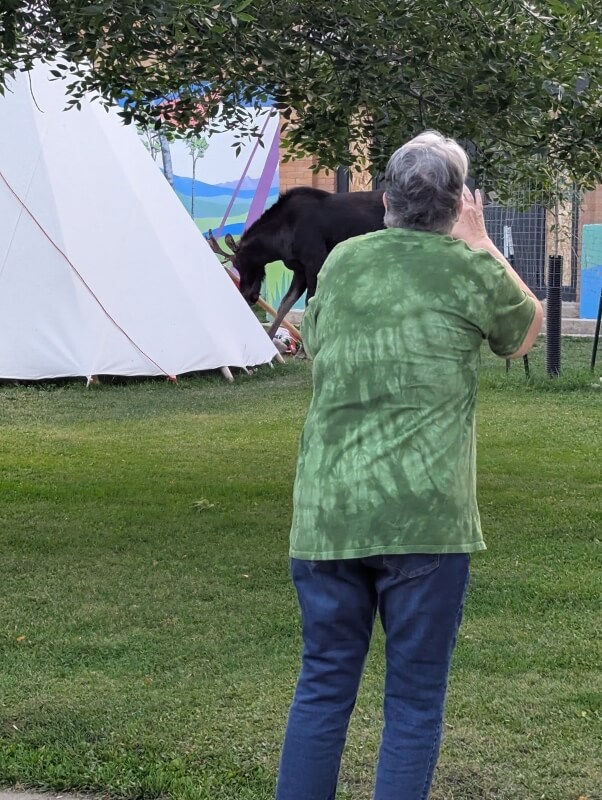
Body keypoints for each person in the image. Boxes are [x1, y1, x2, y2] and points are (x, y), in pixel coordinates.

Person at [275, 131, 543, 800]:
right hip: (425, 518)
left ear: (386, 197)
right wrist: (480, 243)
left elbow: (317, 345)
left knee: (323, 686)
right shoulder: (469, 267)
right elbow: (526, 329)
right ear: (460, 204)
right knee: (415, 703)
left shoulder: (340, 264)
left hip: (329, 513)